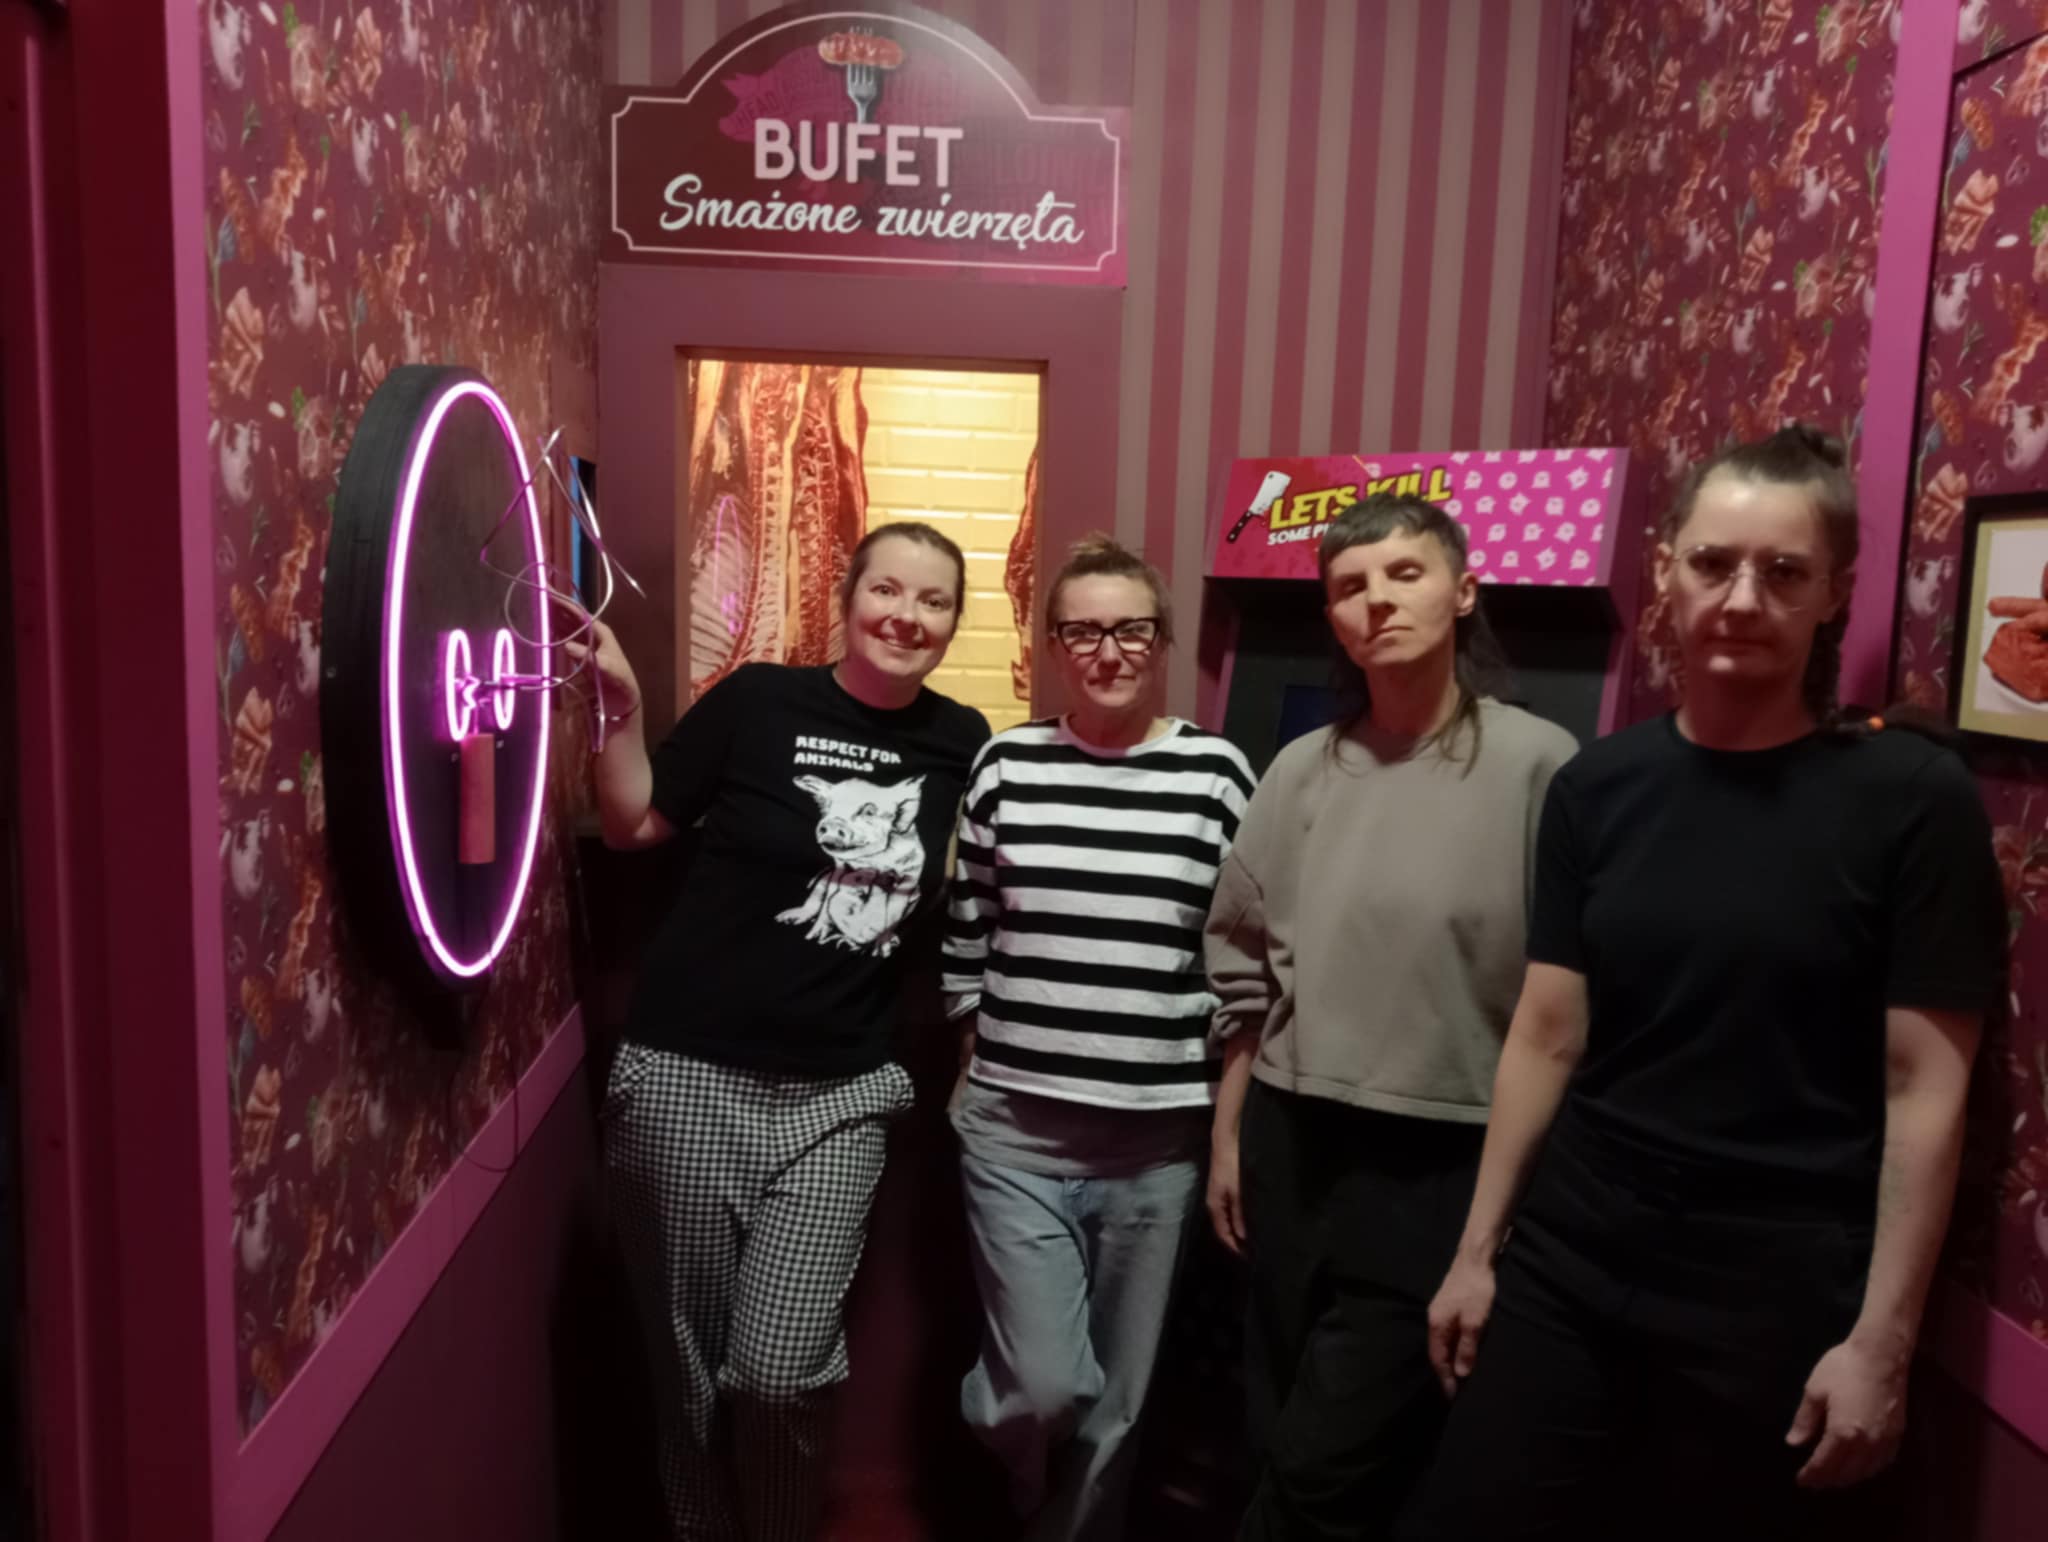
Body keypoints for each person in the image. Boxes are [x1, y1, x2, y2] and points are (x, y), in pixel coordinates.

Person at [1406, 427, 2006, 1542]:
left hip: (1777, 1289)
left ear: (1833, 594)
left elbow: (1924, 1090)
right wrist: (1476, 1253)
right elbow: (1546, 1034)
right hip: (1574, 1255)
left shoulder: (1911, 799)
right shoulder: (1597, 786)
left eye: (1782, 572)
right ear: (1665, 570)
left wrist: (1882, 1341)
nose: (1741, 599)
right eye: (1713, 563)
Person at [580, 521, 991, 1542]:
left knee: (777, 1371)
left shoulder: (964, 739)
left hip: (841, 1093)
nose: (906, 615)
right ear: (846, 598)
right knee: (684, 1370)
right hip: (685, 1071)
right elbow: (633, 822)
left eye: (933, 600)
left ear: (953, 623)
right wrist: (617, 711)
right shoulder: (761, 699)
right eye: (886, 590)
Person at [1203, 495, 1578, 1540]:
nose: (1376, 600)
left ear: (1463, 592)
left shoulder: (1540, 763)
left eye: (1404, 574)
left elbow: (1566, 1004)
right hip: (1290, 1138)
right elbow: (1244, 969)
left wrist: (1491, 1230)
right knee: (1275, 1417)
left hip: (1442, 1155)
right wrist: (1229, 1133)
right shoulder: (1298, 770)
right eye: (1349, 586)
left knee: (1327, 1462)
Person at [942, 534, 1255, 1542]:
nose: (1107, 651)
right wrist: (971, 1064)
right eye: (1082, 631)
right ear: (1052, 646)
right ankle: (1023, 1469)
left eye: (1129, 629)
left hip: (1154, 1148)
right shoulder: (1006, 764)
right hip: (1015, 1138)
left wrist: (1224, 1132)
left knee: (1120, 1407)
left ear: (1161, 641)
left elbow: (1243, 957)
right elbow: (967, 934)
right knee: (1042, 1387)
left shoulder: (1215, 775)